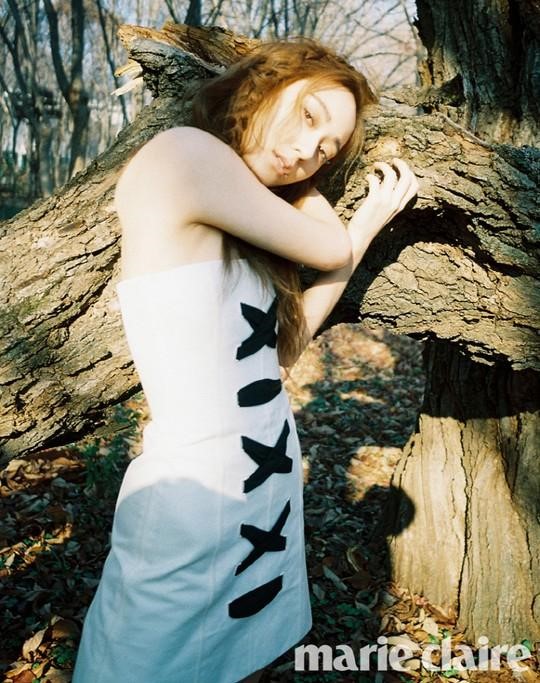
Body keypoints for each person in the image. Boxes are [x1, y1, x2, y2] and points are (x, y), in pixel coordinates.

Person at [72, 38, 418, 683]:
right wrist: (336, 211)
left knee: (234, 665)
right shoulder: (185, 154)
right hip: (194, 501)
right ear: (266, 81)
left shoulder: (238, 211)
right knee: (136, 662)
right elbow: (326, 247)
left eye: (326, 151)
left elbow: (281, 352)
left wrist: (358, 230)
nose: (306, 152)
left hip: (265, 495)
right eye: (309, 116)